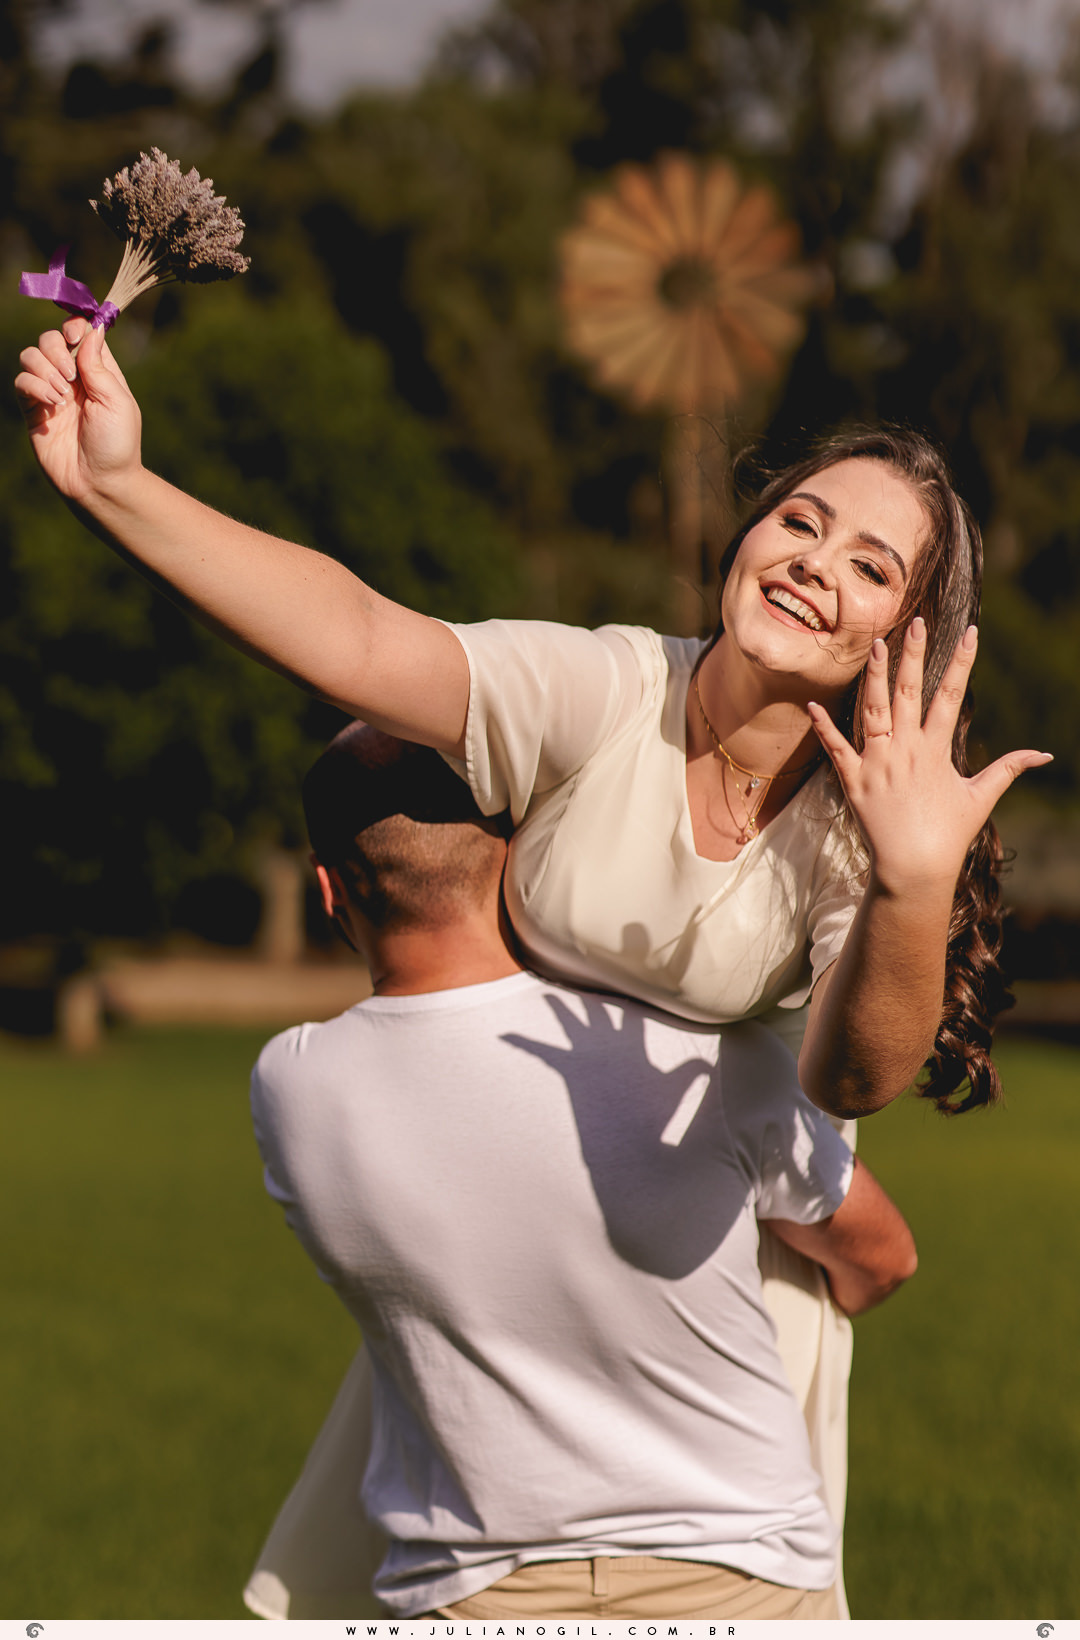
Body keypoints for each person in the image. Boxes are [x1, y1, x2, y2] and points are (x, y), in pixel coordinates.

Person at [16, 317, 1049, 1613]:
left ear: (907, 633)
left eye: (870, 564)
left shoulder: (857, 830)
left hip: (719, 1261)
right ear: (747, 532)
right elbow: (363, 638)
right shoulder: (609, 688)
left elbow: (852, 1077)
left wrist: (910, 878)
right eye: (800, 521)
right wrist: (119, 485)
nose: (814, 563)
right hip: (513, 1226)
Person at [246, 722, 917, 1621]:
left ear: (330, 889)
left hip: (471, 1588)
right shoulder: (696, 1060)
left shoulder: (292, 1084)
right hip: (743, 1573)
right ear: (517, 850)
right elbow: (882, 1259)